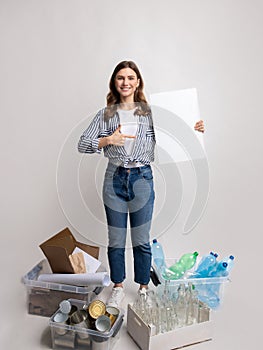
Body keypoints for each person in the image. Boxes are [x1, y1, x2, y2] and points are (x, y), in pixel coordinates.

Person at [78, 60, 204, 307]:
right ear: (114, 83)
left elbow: (175, 137)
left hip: (142, 178)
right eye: (120, 78)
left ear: (137, 82)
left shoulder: (150, 113)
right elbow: (82, 144)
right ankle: (117, 286)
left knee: (141, 238)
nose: (125, 82)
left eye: (130, 78)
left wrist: (195, 129)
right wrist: (107, 140)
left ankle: (143, 288)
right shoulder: (105, 115)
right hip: (114, 179)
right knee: (116, 239)